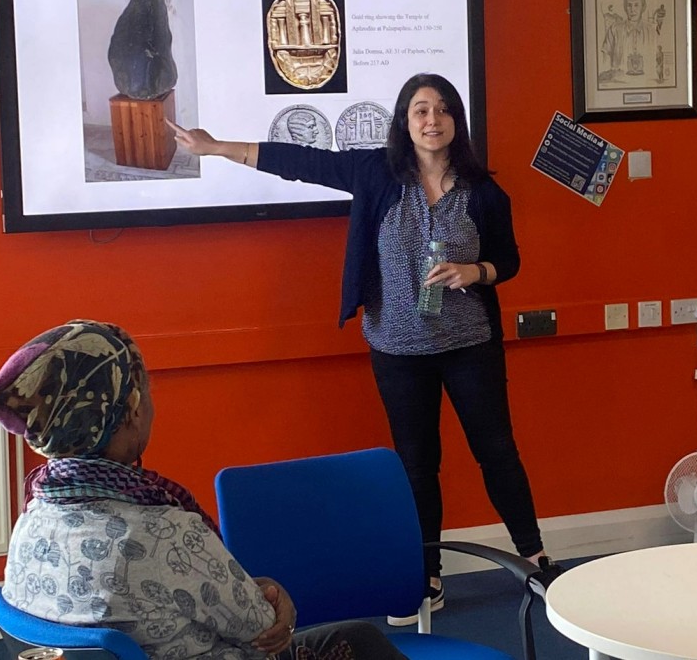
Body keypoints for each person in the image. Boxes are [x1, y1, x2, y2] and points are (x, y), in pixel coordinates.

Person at [170, 73, 560, 624]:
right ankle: (427, 579)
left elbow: (510, 262)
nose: (433, 120)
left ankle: (537, 559)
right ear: (405, 121)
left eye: (443, 110)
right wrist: (215, 148)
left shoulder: (484, 191)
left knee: (497, 451)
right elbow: (299, 160)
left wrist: (476, 270)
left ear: (456, 123)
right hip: (397, 349)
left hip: (470, 343)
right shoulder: (376, 172)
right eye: (421, 110)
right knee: (418, 466)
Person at [0, 319, 408, 660]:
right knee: (362, 640)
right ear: (132, 408)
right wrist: (272, 599)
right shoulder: (162, 533)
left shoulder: (33, 516)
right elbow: (264, 628)